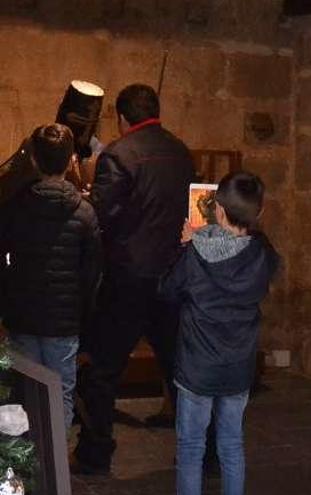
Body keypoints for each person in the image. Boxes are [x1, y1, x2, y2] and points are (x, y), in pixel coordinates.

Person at [73, 83, 196, 474]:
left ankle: (94, 454)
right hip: (173, 273)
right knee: (179, 369)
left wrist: (87, 194)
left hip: (128, 276)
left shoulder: (120, 153)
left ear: (122, 118)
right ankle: (201, 451)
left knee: (105, 370)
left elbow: (101, 215)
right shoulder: (181, 151)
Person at [159, 171, 278, 495]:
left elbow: (168, 290)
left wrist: (187, 244)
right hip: (239, 365)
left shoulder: (196, 252)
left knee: (191, 448)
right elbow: (259, 253)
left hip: (197, 366)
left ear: (219, 210)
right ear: (259, 213)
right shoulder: (263, 256)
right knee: (231, 445)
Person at [0, 124, 101, 430]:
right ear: (71, 159)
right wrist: (83, 315)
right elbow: (91, 273)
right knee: (61, 394)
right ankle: (56, 470)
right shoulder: (84, 212)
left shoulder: (14, 207)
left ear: (33, 160)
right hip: (64, 321)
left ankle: (29, 470)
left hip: (23, 315)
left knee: (23, 396)